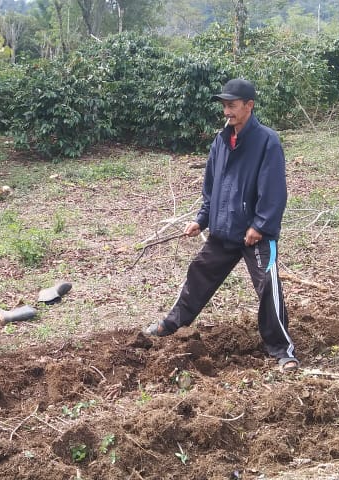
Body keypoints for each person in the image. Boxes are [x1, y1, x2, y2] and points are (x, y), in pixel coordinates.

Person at [141, 78, 299, 373]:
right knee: (198, 274)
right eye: (224, 106)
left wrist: (260, 226)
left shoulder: (267, 142)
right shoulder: (221, 141)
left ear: (249, 106)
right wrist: (201, 220)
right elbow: (212, 187)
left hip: (255, 235)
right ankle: (171, 325)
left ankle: (282, 350)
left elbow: (274, 190)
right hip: (224, 230)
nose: (227, 111)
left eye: (232, 105)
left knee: (268, 286)